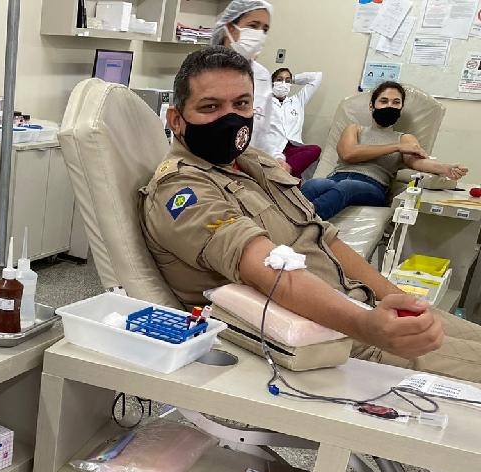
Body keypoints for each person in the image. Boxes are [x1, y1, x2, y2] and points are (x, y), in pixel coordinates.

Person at [138, 47, 481, 384]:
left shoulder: (254, 162)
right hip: (331, 341)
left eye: (241, 104)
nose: (231, 119)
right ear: (176, 119)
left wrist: (393, 297)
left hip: (359, 304)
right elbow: (268, 269)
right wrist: (367, 326)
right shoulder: (182, 191)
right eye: (210, 107)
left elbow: (323, 237)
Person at [301, 81, 468, 220]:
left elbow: (417, 162)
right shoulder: (354, 129)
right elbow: (348, 153)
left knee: (347, 186)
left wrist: (445, 168)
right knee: (313, 184)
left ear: (401, 108)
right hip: (336, 177)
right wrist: (396, 147)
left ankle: (304, 223)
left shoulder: (405, 139)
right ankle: (288, 221)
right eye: (384, 101)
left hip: (373, 187)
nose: (390, 106)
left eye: (396, 102)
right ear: (372, 105)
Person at [211, 0, 289, 171]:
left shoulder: (261, 76)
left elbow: (265, 130)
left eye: (265, 29)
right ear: (230, 28)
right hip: (209, 167)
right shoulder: (203, 71)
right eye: (253, 26)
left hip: (249, 169)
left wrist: (276, 157)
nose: (259, 34)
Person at [269, 67, 323, 177]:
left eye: (287, 80)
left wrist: (293, 79)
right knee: (296, 178)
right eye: (279, 80)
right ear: (272, 82)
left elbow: (317, 77)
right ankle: (286, 175)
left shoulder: (297, 101)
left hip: (292, 148)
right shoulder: (264, 102)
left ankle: (283, 173)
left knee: (315, 150)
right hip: (272, 148)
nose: (283, 84)